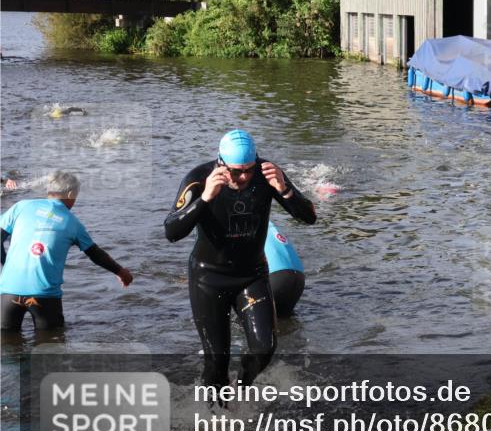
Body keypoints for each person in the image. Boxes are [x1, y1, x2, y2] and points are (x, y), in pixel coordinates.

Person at [164, 130, 316, 391]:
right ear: (221, 163)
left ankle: (241, 390)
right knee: (216, 362)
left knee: (264, 348)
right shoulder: (199, 179)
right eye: (236, 172)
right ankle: (214, 420)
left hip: (252, 275)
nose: (244, 177)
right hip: (208, 279)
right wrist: (206, 198)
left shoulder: (267, 174)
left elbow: (309, 217)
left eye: (248, 169)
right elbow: (171, 232)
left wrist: (285, 189)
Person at [0, 171, 133, 332]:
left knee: (7, 346)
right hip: (44, 295)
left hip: (8, 291)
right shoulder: (72, 222)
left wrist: (5, 264)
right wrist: (120, 272)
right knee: (50, 348)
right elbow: (95, 254)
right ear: (70, 194)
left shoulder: (21, 206)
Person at [264, 221, 306, 318]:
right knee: (285, 320)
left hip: (276, 277)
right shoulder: (268, 222)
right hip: (299, 277)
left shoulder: (241, 225)